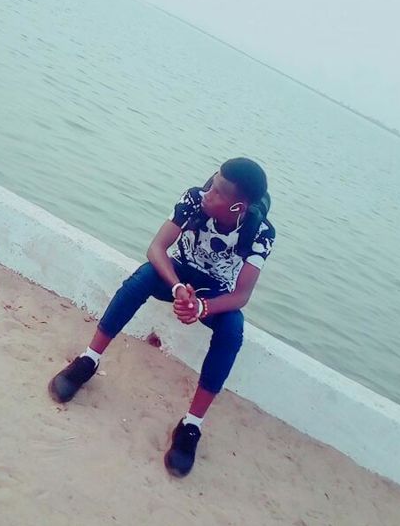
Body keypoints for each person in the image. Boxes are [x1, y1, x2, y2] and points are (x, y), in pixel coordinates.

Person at [48, 157, 275, 476]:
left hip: (214, 291)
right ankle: (89, 359)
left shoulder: (260, 233)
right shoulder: (194, 199)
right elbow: (156, 248)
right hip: (177, 273)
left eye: (218, 192)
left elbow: (241, 295)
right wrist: (178, 288)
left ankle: (191, 425)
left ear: (238, 207)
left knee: (232, 329)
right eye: (211, 182)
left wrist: (202, 308)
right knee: (142, 278)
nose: (208, 192)